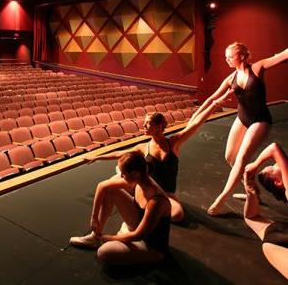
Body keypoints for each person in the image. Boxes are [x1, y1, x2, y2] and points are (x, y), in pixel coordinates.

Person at [78, 88, 233, 223]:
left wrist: (215, 104)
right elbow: (120, 153)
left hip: (166, 192)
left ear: (159, 127)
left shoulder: (174, 143)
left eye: (147, 123)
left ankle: (138, 198)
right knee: (114, 183)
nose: (143, 126)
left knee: (177, 215)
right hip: (147, 188)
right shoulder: (143, 147)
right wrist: (96, 156)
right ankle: (126, 183)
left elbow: (196, 123)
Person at [195, 43, 287, 216]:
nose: (226, 59)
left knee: (243, 157)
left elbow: (280, 56)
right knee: (230, 157)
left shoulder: (258, 68)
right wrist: (194, 118)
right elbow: (211, 99)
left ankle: (221, 198)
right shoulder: (231, 79)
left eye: (230, 56)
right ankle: (252, 191)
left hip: (260, 120)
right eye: (226, 56)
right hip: (242, 118)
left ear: (242, 56)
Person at [70, 151, 171, 266]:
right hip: (137, 225)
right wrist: (94, 218)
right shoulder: (140, 180)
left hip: (150, 245)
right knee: (110, 190)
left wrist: (108, 238)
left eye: (123, 174)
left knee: (104, 252)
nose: (121, 176)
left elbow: (139, 235)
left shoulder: (156, 201)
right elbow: (102, 186)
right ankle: (94, 238)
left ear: (134, 174)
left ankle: (115, 240)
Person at [243, 143, 288, 279]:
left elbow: (251, 217)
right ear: (279, 182)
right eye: (275, 166)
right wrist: (255, 165)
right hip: (277, 239)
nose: (277, 163)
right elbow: (274, 148)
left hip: (278, 235)